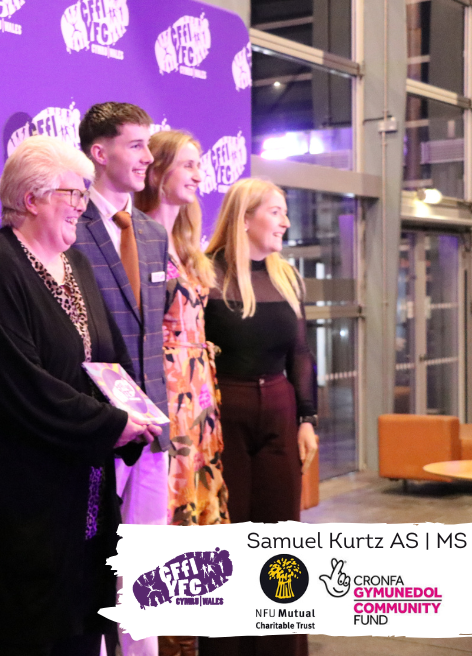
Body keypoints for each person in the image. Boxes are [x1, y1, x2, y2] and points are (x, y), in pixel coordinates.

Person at [0, 135, 160, 656]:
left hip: (86, 493)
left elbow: (110, 363)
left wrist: (136, 414)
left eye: (84, 194)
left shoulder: (78, 265)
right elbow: (21, 386)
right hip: (27, 502)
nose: (82, 206)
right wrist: (110, 426)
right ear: (31, 199)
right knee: (36, 635)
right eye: (73, 193)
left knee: (85, 629)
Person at [200, 178, 318, 656]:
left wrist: (307, 418)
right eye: (275, 211)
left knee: (280, 542)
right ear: (245, 217)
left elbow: (301, 353)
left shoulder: (287, 276)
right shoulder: (205, 273)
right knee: (229, 540)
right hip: (224, 415)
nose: (285, 222)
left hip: (281, 413)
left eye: (285, 212)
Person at [73, 102, 171, 656]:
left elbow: (152, 336)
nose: (148, 157)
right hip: (98, 432)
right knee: (92, 572)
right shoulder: (68, 226)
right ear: (99, 152)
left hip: (153, 433)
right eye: (135, 145)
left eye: (148, 145)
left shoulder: (153, 234)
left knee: (146, 579)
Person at [133, 129, 229, 528]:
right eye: (188, 165)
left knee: (202, 481)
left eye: (198, 166)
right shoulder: (135, 239)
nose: (198, 176)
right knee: (170, 493)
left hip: (199, 386)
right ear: (156, 173)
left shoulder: (188, 246)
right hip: (166, 387)